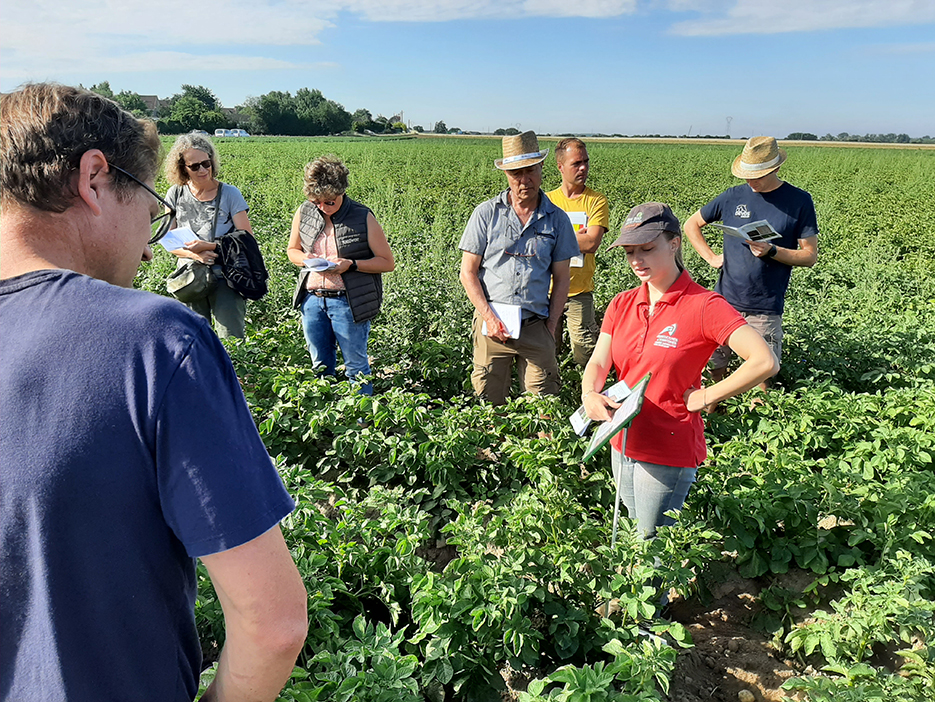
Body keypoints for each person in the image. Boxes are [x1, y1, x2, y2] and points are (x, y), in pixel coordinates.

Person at [0, 83, 308, 701]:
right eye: (147, 207)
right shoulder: (154, 342)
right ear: (93, 178)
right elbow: (274, 622)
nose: (149, 243)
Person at [582, 203, 778, 538]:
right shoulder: (622, 302)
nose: (636, 261)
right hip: (622, 437)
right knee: (633, 533)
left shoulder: (703, 305)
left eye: (647, 249)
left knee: (650, 543)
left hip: (666, 447)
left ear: (674, 244)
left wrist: (705, 396)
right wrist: (589, 393)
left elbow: (764, 360)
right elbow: (600, 360)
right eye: (629, 252)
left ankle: (655, 593)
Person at [684, 136, 818, 393]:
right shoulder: (732, 196)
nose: (749, 180)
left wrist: (772, 251)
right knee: (713, 365)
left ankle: (758, 422)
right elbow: (691, 225)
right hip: (723, 300)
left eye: (757, 175)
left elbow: (809, 256)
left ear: (776, 168)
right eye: (746, 174)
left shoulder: (798, 201)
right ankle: (716, 415)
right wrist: (711, 258)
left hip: (765, 306)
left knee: (761, 375)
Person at [459, 131, 581, 405]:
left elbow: (562, 279)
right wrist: (488, 317)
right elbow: (468, 272)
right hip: (492, 327)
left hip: (536, 325)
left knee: (544, 406)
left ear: (541, 170)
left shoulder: (557, 220)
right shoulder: (486, 213)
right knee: (489, 404)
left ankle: (541, 449)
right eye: (516, 173)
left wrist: (551, 325)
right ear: (506, 175)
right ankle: (492, 449)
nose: (524, 180)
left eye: (530, 171)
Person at [286, 155, 395, 395]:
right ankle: (326, 417)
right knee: (320, 366)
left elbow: (387, 263)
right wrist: (307, 259)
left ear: (342, 191)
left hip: (348, 301)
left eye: (330, 202)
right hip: (312, 299)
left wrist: (351, 264)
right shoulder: (304, 212)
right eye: (317, 202)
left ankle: (362, 424)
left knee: (355, 367)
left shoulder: (362, 216)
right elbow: (292, 251)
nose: (323, 207)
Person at [164, 132, 254, 338]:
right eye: (195, 166)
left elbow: (246, 239)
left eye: (206, 163)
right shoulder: (175, 194)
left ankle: (232, 371)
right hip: (190, 277)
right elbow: (169, 239)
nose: (203, 170)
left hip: (227, 277)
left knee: (231, 340)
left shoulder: (230, 194)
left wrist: (208, 247)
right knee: (193, 340)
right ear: (182, 169)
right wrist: (195, 255)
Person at [546, 138, 609, 366]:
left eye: (585, 162)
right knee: (546, 350)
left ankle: (586, 393)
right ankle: (551, 397)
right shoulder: (548, 201)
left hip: (579, 291)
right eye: (576, 163)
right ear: (560, 166)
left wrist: (553, 235)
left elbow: (591, 243)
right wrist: (576, 237)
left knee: (584, 351)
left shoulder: (596, 201)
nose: (583, 168)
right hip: (546, 290)